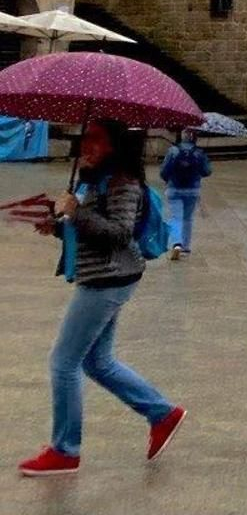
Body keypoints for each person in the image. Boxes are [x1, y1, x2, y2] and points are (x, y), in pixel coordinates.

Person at [18, 120, 186, 477]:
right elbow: (91, 230)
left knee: (63, 362)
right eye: (85, 139)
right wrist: (59, 226)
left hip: (108, 279)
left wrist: (76, 213)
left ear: (114, 145)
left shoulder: (122, 181)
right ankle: (162, 413)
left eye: (95, 139)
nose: (86, 147)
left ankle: (65, 451)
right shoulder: (94, 179)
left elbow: (119, 234)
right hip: (103, 276)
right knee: (98, 362)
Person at [157, 130, 211, 260]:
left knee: (176, 217)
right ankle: (185, 247)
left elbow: (164, 171)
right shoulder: (199, 152)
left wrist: (167, 180)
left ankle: (176, 244)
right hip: (192, 190)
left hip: (174, 189)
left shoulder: (173, 150)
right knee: (187, 218)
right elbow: (207, 171)